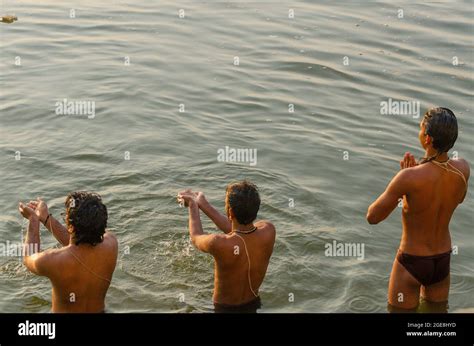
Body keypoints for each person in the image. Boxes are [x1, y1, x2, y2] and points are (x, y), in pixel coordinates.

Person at [367, 107, 470, 311]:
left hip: (411, 262)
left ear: (428, 139)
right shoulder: (463, 169)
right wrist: (413, 177)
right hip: (442, 261)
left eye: (421, 129)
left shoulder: (408, 178)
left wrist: (403, 184)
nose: (419, 133)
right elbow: (458, 199)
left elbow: (373, 216)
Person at [178, 181, 276, 313]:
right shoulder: (268, 231)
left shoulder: (218, 243)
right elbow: (241, 232)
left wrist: (192, 205)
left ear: (230, 212)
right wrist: (203, 204)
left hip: (222, 309)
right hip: (254, 305)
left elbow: (196, 237)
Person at [18, 191, 118, 313]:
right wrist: (46, 218)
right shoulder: (111, 244)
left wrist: (33, 219)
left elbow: (29, 257)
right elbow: (80, 243)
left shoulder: (53, 260)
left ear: (70, 226)